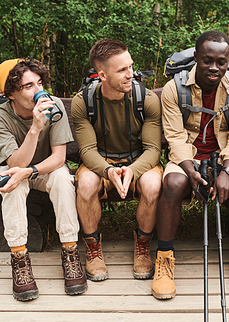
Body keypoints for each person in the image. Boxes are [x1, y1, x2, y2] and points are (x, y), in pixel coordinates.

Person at [152, 31, 229, 300]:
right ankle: (164, 260)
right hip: (187, 158)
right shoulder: (173, 89)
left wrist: (226, 171)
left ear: (228, 61)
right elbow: (175, 136)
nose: (214, 67)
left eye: (221, 61)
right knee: (173, 183)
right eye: (207, 60)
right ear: (196, 58)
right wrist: (190, 170)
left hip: (226, 157)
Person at [0, 59, 87, 301]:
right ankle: (20, 259)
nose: (38, 90)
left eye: (40, 83)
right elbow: (14, 164)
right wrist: (34, 128)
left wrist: (30, 171)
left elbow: (59, 158)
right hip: (15, 167)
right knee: (8, 182)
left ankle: (70, 252)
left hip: (45, 168)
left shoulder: (54, 107)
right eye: (29, 86)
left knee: (63, 178)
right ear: (11, 93)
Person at [71, 38, 162, 282]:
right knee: (87, 184)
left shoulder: (147, 99)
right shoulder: (84, 102)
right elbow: (88, 150)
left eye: (130, 66)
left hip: (139, 160)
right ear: (102, 75)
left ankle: (143, 245)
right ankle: (93, 248)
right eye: (122, 70)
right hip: (100, 161)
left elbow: (153, 149)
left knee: (153, 185)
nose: (130, 74)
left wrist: (131, 170)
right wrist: (109, 171)